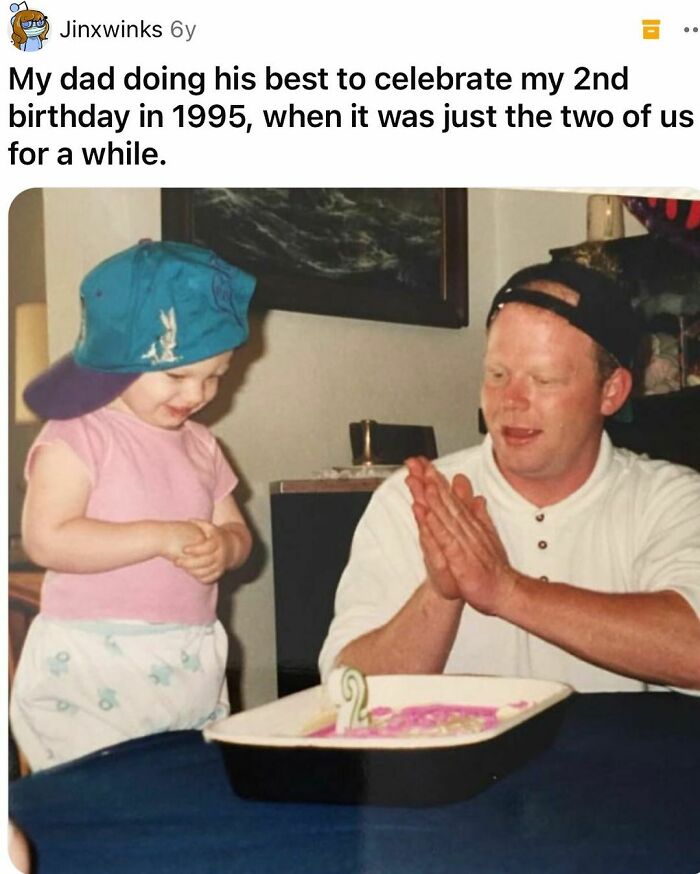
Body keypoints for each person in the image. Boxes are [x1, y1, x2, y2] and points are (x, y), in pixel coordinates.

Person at [319, 260, 700, 693]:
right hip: (462, 762)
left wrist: (505, 591)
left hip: (619, 760)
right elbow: (348, 689)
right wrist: (440, 595)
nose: (511, 401)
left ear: (611, 391)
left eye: (544, 379)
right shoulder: (417, 501)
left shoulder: (670, 500)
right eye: (497, 375)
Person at [10, 240, 256, 771]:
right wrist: (160, 536)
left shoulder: (201, 445)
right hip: (95, 658)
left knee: (179, 787)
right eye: (177, 375)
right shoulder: (80, 433)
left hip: (188, 657)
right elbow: (48, 538)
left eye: (215, 375)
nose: (198, 394)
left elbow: (238, 533)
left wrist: (225, 547)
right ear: (117, 362)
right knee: (97, 797)